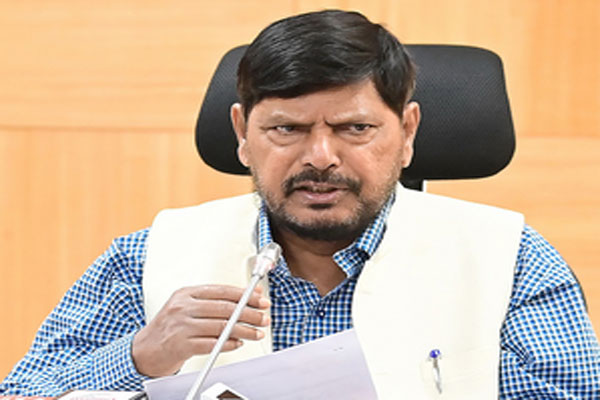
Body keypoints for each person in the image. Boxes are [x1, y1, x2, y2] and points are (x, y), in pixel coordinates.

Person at [1, 9, 599, 399]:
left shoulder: (509, 261)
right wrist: (138, 357)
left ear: (408, 131)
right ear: (243, 132)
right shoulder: (149, 258)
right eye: (287, 129)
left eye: (355, 129)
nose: (320, 157)